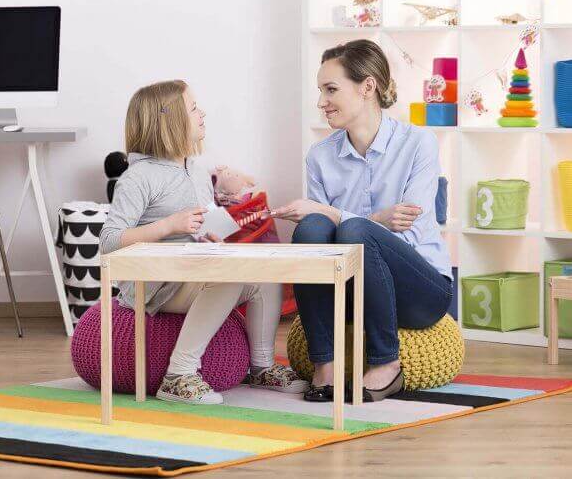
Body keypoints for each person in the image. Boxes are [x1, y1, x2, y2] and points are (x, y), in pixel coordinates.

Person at [100, 79, 308, 404]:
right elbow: (109, 241)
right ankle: (178, 375)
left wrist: (209, 229)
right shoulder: (137, 178)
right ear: (168, 120)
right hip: (153, 282)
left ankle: (262, 366)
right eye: (193, 108)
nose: (202, 113)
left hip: (188, 269)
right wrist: (168, 226)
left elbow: (195, 226)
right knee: (227, 277)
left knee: (263, 275)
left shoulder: (195, 171)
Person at [270, 40, 453, 403]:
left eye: (331, 89)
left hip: (420, 290)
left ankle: (387, 362)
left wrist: (347, 219)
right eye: (321, 91)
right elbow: (320, 237)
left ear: (367, 87)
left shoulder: (419, 143)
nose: (322, 101)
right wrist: (374, 220)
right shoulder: (320, 156)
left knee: (351, 229)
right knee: (310, 229)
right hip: (355, 289)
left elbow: (410, 225)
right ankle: (326, 363)